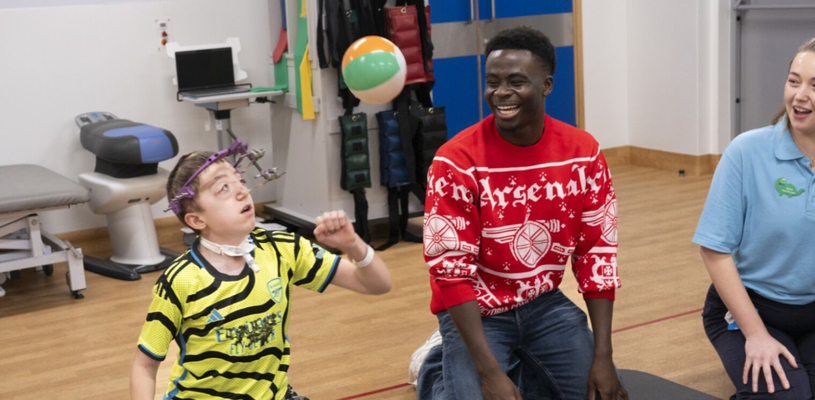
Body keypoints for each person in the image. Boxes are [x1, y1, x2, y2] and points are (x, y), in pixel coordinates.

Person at [412, 26, 627, 400]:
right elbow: (450, 273)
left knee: (601, 393)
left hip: (543, 304)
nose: (501, 93)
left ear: (546, 85)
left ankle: (518, 366)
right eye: (492, 82)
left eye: (516, 81)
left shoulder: (583, 152)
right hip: (474, 311)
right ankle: (433, 366)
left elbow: (597, 253)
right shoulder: (456, 161)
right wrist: (488, 373)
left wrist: (604, 355)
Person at [129, 148, 391, 400]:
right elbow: (144, 366)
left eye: (240, 181)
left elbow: (378, 285)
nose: (242, 192)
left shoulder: (281, 248)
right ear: (197, 220)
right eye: (223, 188)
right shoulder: (180, 281)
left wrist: (353, 244)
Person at [694, 37, 815, 400]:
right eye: (794, 81)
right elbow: (714, 251)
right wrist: (757, 335)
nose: (800, 96)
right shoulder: (747, 152)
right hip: (749, 309)